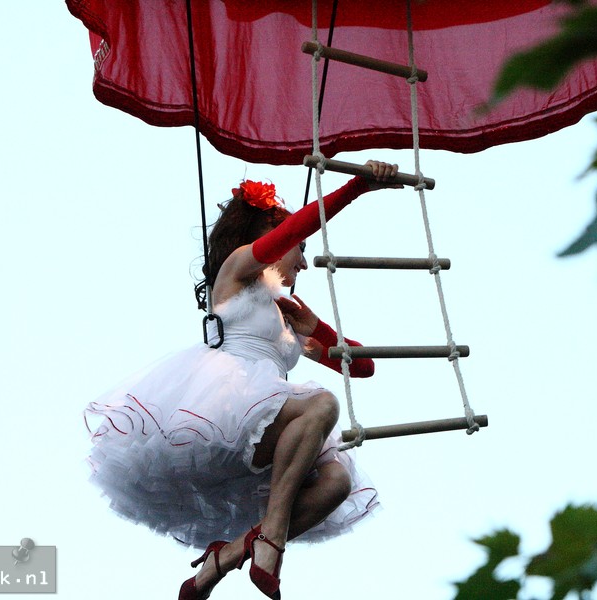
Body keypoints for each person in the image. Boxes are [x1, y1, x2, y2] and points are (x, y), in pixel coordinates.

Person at [84, 161, 399, 599]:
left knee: (337, 483)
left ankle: (229, 555)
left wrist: (315, 330)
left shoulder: (286, 313)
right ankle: (270, 540)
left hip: (269, 406)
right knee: (323, 404)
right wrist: (357, 187)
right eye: (301, 249)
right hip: (226, 398)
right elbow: (285, 237)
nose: (304, 262)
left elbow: (361, 367)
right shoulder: (234, 272)